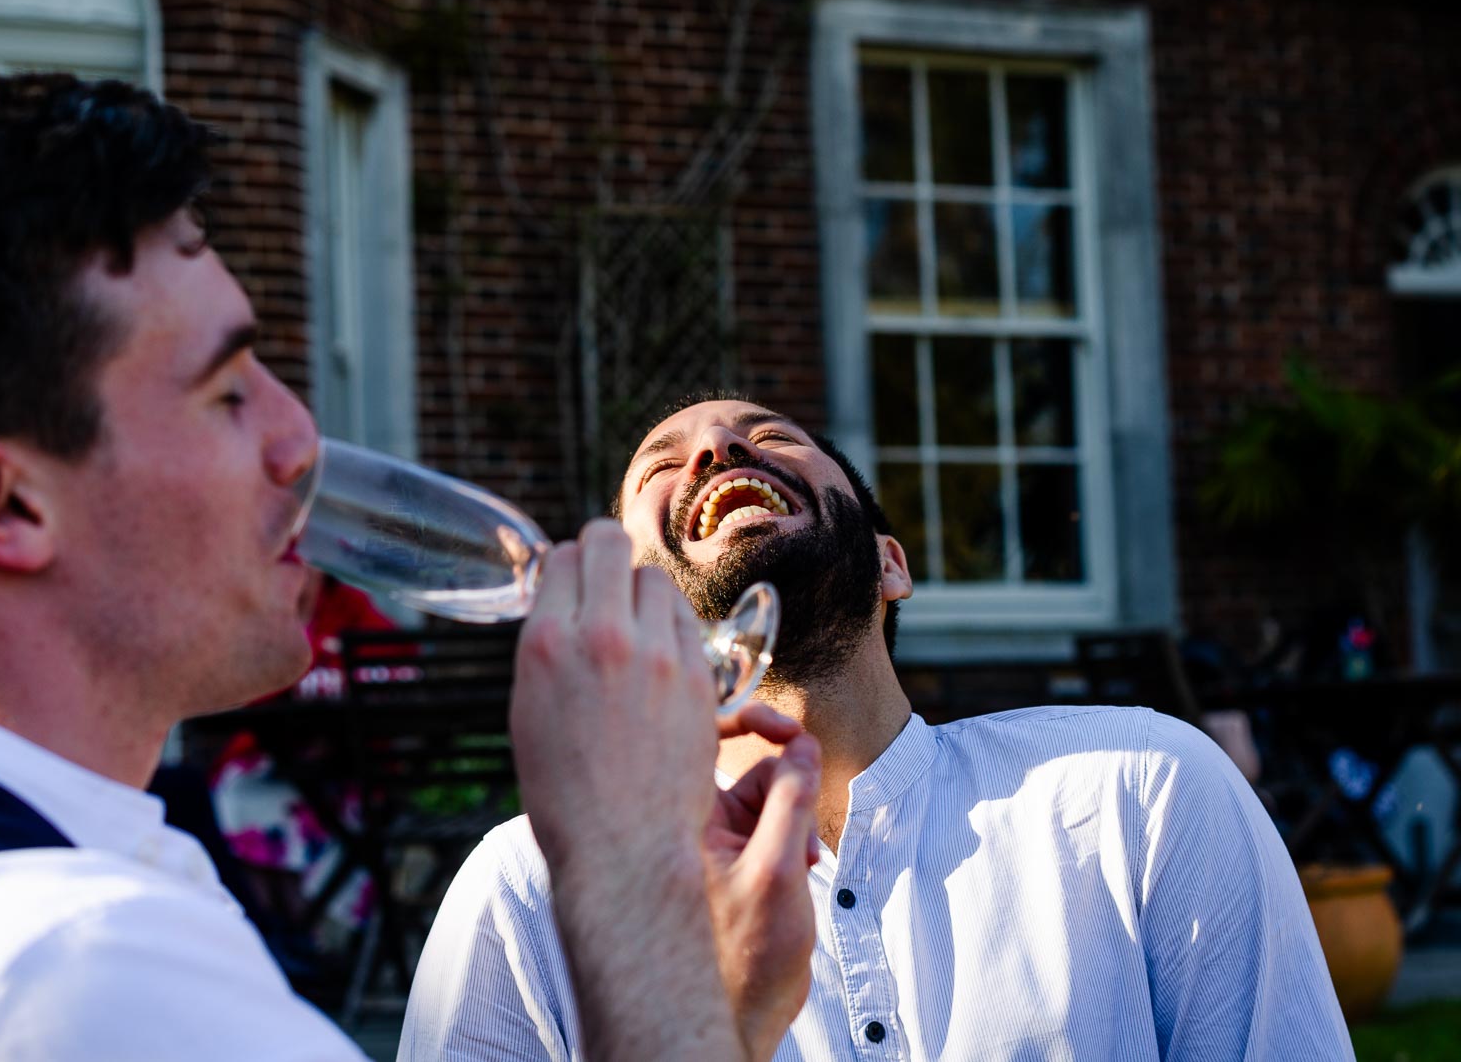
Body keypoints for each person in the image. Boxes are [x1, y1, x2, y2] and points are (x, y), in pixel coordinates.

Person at [0, 72, 817, 1062]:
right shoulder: (76, 974)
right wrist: (631, 891)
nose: (297, 440)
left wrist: (724, 1017)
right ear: (5, 502)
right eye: (227, 389)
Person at [400, 395, 1356, 1060]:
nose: (716, 452)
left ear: (891, 564)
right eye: (662, 464)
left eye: (771, 435)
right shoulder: (530, 889)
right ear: (635, 603)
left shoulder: (1140, 790)